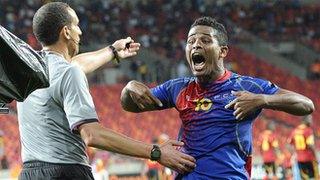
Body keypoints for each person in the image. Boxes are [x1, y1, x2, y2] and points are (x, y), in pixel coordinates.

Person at [17, 2, 195, 180]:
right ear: (66, 32)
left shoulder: (27, 74)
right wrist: (156, 152)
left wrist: (112, 51)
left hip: (28, 173)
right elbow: (92, 135)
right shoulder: (69, 72)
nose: (80, 32)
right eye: (76, 25)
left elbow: (75, 64)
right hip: (65, 172)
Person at [120, 16, 314, 179]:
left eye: (205, 40)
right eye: (191, 41)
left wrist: (262, 99)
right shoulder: (178, 88)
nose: (196, 44)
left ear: (222, 51)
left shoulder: (245, 86)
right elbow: (131, 105)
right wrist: (129, 89)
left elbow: (306, 105)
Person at [288, 115, 319, 179]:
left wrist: (295, 153)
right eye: (310, 119)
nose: (311, 121)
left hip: (300, 159)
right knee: (314, 177)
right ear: (305, 119)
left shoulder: (295, 131)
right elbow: (310, 144)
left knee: (304, 177)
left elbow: (288, 144)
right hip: (309, 158)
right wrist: (316, 155)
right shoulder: (308, 130)